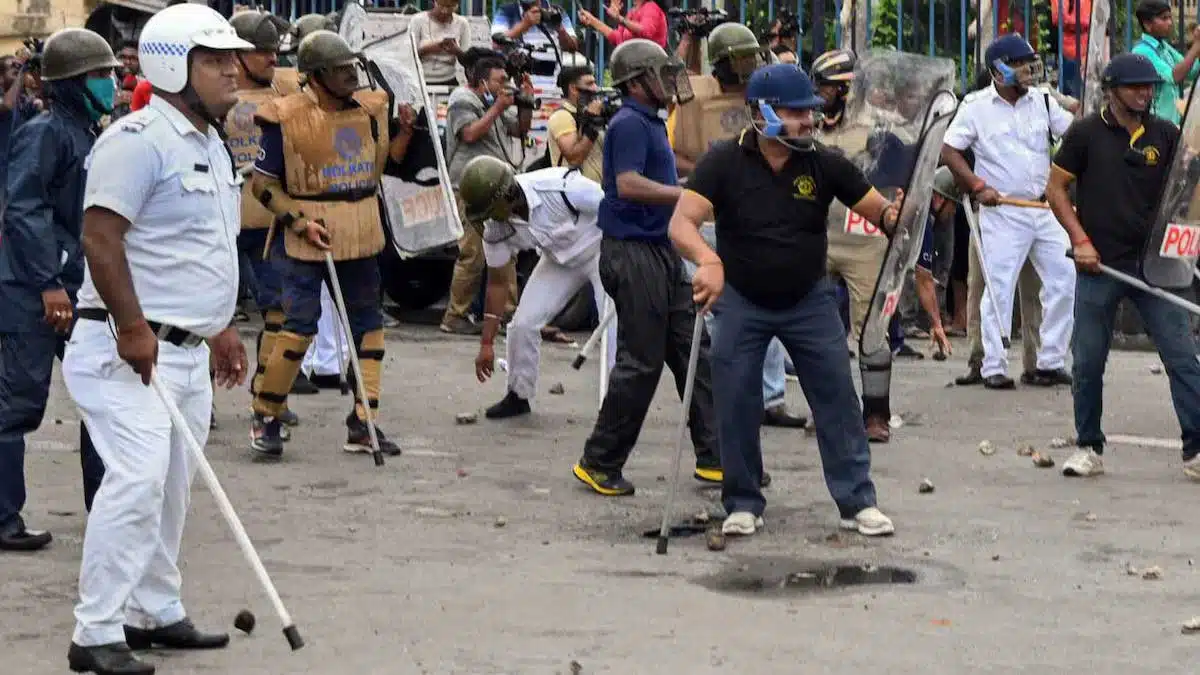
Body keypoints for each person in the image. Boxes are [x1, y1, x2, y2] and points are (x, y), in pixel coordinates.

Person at [61, 5, 252, 673]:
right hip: (122, 348)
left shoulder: (207, 140)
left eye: (232, 56)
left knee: (172, 483)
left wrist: (219, 325)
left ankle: (153, 609)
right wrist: (135, 326)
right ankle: (96, 630)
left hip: (186, 351)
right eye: (214, 58)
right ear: (174, 64)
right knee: (138, 477)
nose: (234, 67)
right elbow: (100, 236)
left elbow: (193, 249)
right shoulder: (137, 139)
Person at [670, 62, 898, 537]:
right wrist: (708, 262)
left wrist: (900, 212)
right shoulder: (722, 162)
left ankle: (857, 501)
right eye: (795, 113)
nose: (808, 122)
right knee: (734, 402)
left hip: (809, 301)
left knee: (837, 397)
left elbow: (880, 212)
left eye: (810, 112)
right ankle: (743, 502)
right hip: (741, 300)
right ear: (761, 112)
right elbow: (680, 224)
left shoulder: (825, 161)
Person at [572, 39, 729, 496]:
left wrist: (686, 188)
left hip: (660, 250)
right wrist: (684, 195)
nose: (670, 81)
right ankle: (599, 462)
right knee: (641, 362)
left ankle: (717, 457)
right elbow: (628, 185)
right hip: (633, 253)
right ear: (638, 83)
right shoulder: (628, 125)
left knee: (694, 350)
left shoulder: (651, 122)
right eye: (660, 73)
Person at [247, 30, 411, 457]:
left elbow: (386, 161)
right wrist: (299, 221)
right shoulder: (283, 116)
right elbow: (262, 186)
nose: (350, 75)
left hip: (361, 231)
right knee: (297, 326)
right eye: (340, 70)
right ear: (317, 75)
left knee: (369, 330)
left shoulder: (373, 108)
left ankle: (364, 422)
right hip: (306, 234)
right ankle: (266, 415)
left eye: (352, 67)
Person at [1045, 52, 1200, 480]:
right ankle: (1088, 446)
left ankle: (1196, 449)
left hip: (1157, 266)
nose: (1145, 93)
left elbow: (1187, 191)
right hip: (1100, 265)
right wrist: (1079, 240)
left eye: (1149, 86)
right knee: (1088, 360)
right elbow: (1056, 189)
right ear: (1112, 90)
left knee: (1183, 357)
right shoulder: (1084, 134)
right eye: (1136, 86)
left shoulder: (1166, 134)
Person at [0, 27, 116, 553]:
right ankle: (3, 519)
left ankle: (109, 510)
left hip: (80, 288)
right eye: (98, 76)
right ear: (70, 83)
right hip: (34, 289)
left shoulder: (91, 133)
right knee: (17, 405)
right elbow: (25, 209)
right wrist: (48, 283)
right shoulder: (46, 132)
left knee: (101, 399)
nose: (109, 84)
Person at [671, 22, 808, 428]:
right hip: (709, 221)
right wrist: (710, 171)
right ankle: (721, 396)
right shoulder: (692, 96)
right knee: (717, 315)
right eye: (740, 60)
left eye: (752, 58)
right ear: (721, 63)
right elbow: (674, 153)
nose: (748, 67)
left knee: (767, 302)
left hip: (754, 219)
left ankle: (770, 397)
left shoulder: (764, 97)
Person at [941, 33, 1077, 390]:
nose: (1029, 70)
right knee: (999, 288)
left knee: (1064, 278)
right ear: (999, 71)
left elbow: (1075, 137)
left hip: (1044, 208)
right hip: (1003, 210)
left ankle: (1049, 361)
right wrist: (976, 186)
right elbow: (950, 150)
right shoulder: (975, 106)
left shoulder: (1043, 101)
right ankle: (993, 366)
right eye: (1020, 64)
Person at [462, 156, 616, 418]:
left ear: (501, 200)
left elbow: (614, 210)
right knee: (522, 324)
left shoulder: (562, 188)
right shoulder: (495, 229)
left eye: (487, 210)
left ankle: (616, 407)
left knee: (612, 331)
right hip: (559, 260)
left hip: (603, 250)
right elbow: (498, 284)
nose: (486, 220)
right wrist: (486, 343)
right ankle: (518, 395)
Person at [225, 10, 314, 444]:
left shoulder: (286, 86)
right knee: (208, 315)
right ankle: (197, 398)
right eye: (261, 51)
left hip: (266, 219)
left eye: (273, 50)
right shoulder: (213, 90)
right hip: (222, 218)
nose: (270, 58)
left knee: (279, 311)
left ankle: (267, 394)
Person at [813, 47, 907, 442]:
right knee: (814, 331)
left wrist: (900, 205)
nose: (820, 94)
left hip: (864, 239)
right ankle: (828, 411)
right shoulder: (808, 126)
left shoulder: (879, 130)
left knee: (871, 330)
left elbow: (904, 177)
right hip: (816, 236)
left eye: (827, 88)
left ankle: (875, 416)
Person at [439, 49, 533, 335]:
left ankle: (508, 315)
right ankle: (454, 316)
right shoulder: (463, 100)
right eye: (499, 80)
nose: (505, 85)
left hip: (497, 189)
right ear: (481, 82)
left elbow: (519, 129)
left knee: (507, 250)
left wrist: (525, 101)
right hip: (470, 188)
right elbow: (468, 134)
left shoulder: (489, 101)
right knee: (473, 254)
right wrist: (497, 108)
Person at [915, 167, 962, 358]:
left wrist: (937, 322)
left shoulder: (938, 217)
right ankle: (909, 322)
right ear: (939, 199)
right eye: (953, 205)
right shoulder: (919, 218)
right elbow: (923, 276)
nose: (954, 212)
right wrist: (936, 324)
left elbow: (942, 266)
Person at [1132, 0, 1200, 125]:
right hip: (1155, 125)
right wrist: (1196, 46)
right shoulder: (1142, 51)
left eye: (1170, 18)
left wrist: (1198, 51)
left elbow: (1190, 73)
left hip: (1173, 123)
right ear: (1147, 24)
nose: (1170, 23)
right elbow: (1174, 76)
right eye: (1164, 19)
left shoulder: (1165, 47)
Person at [491, 0, 579, 91]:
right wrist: (524, 25)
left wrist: (560, 28)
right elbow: (496, 43)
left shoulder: (557, 11)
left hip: (553, 87)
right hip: (520, 87)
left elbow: (573, 47)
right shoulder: (507, 11)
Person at [547, 63, 604, 182]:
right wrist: (592, 125)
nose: (595, 88)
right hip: (573, 194)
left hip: (596, 192)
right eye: (589, 84)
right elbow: (574, 158)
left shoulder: (592, 113)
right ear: (573, 89)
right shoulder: (562, 116)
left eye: (595, 82)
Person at [411, 0, 471, 87]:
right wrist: (429, 48)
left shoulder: (462, 23)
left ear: (457, 5)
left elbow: (468, 60)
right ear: (434, 2)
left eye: (450, 7)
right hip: (421, 81)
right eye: (441, 6)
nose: (445, 11)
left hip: (449, 80)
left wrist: (456, 51)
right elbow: (409, 55)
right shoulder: (418, 20)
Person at [577, 0, 669, 49]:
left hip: (650, 71)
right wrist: (592, 20)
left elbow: (645, 31)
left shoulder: (651, 7)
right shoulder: (633, 11)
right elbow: (617, 38)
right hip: (632, 68)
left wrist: (620, 19)